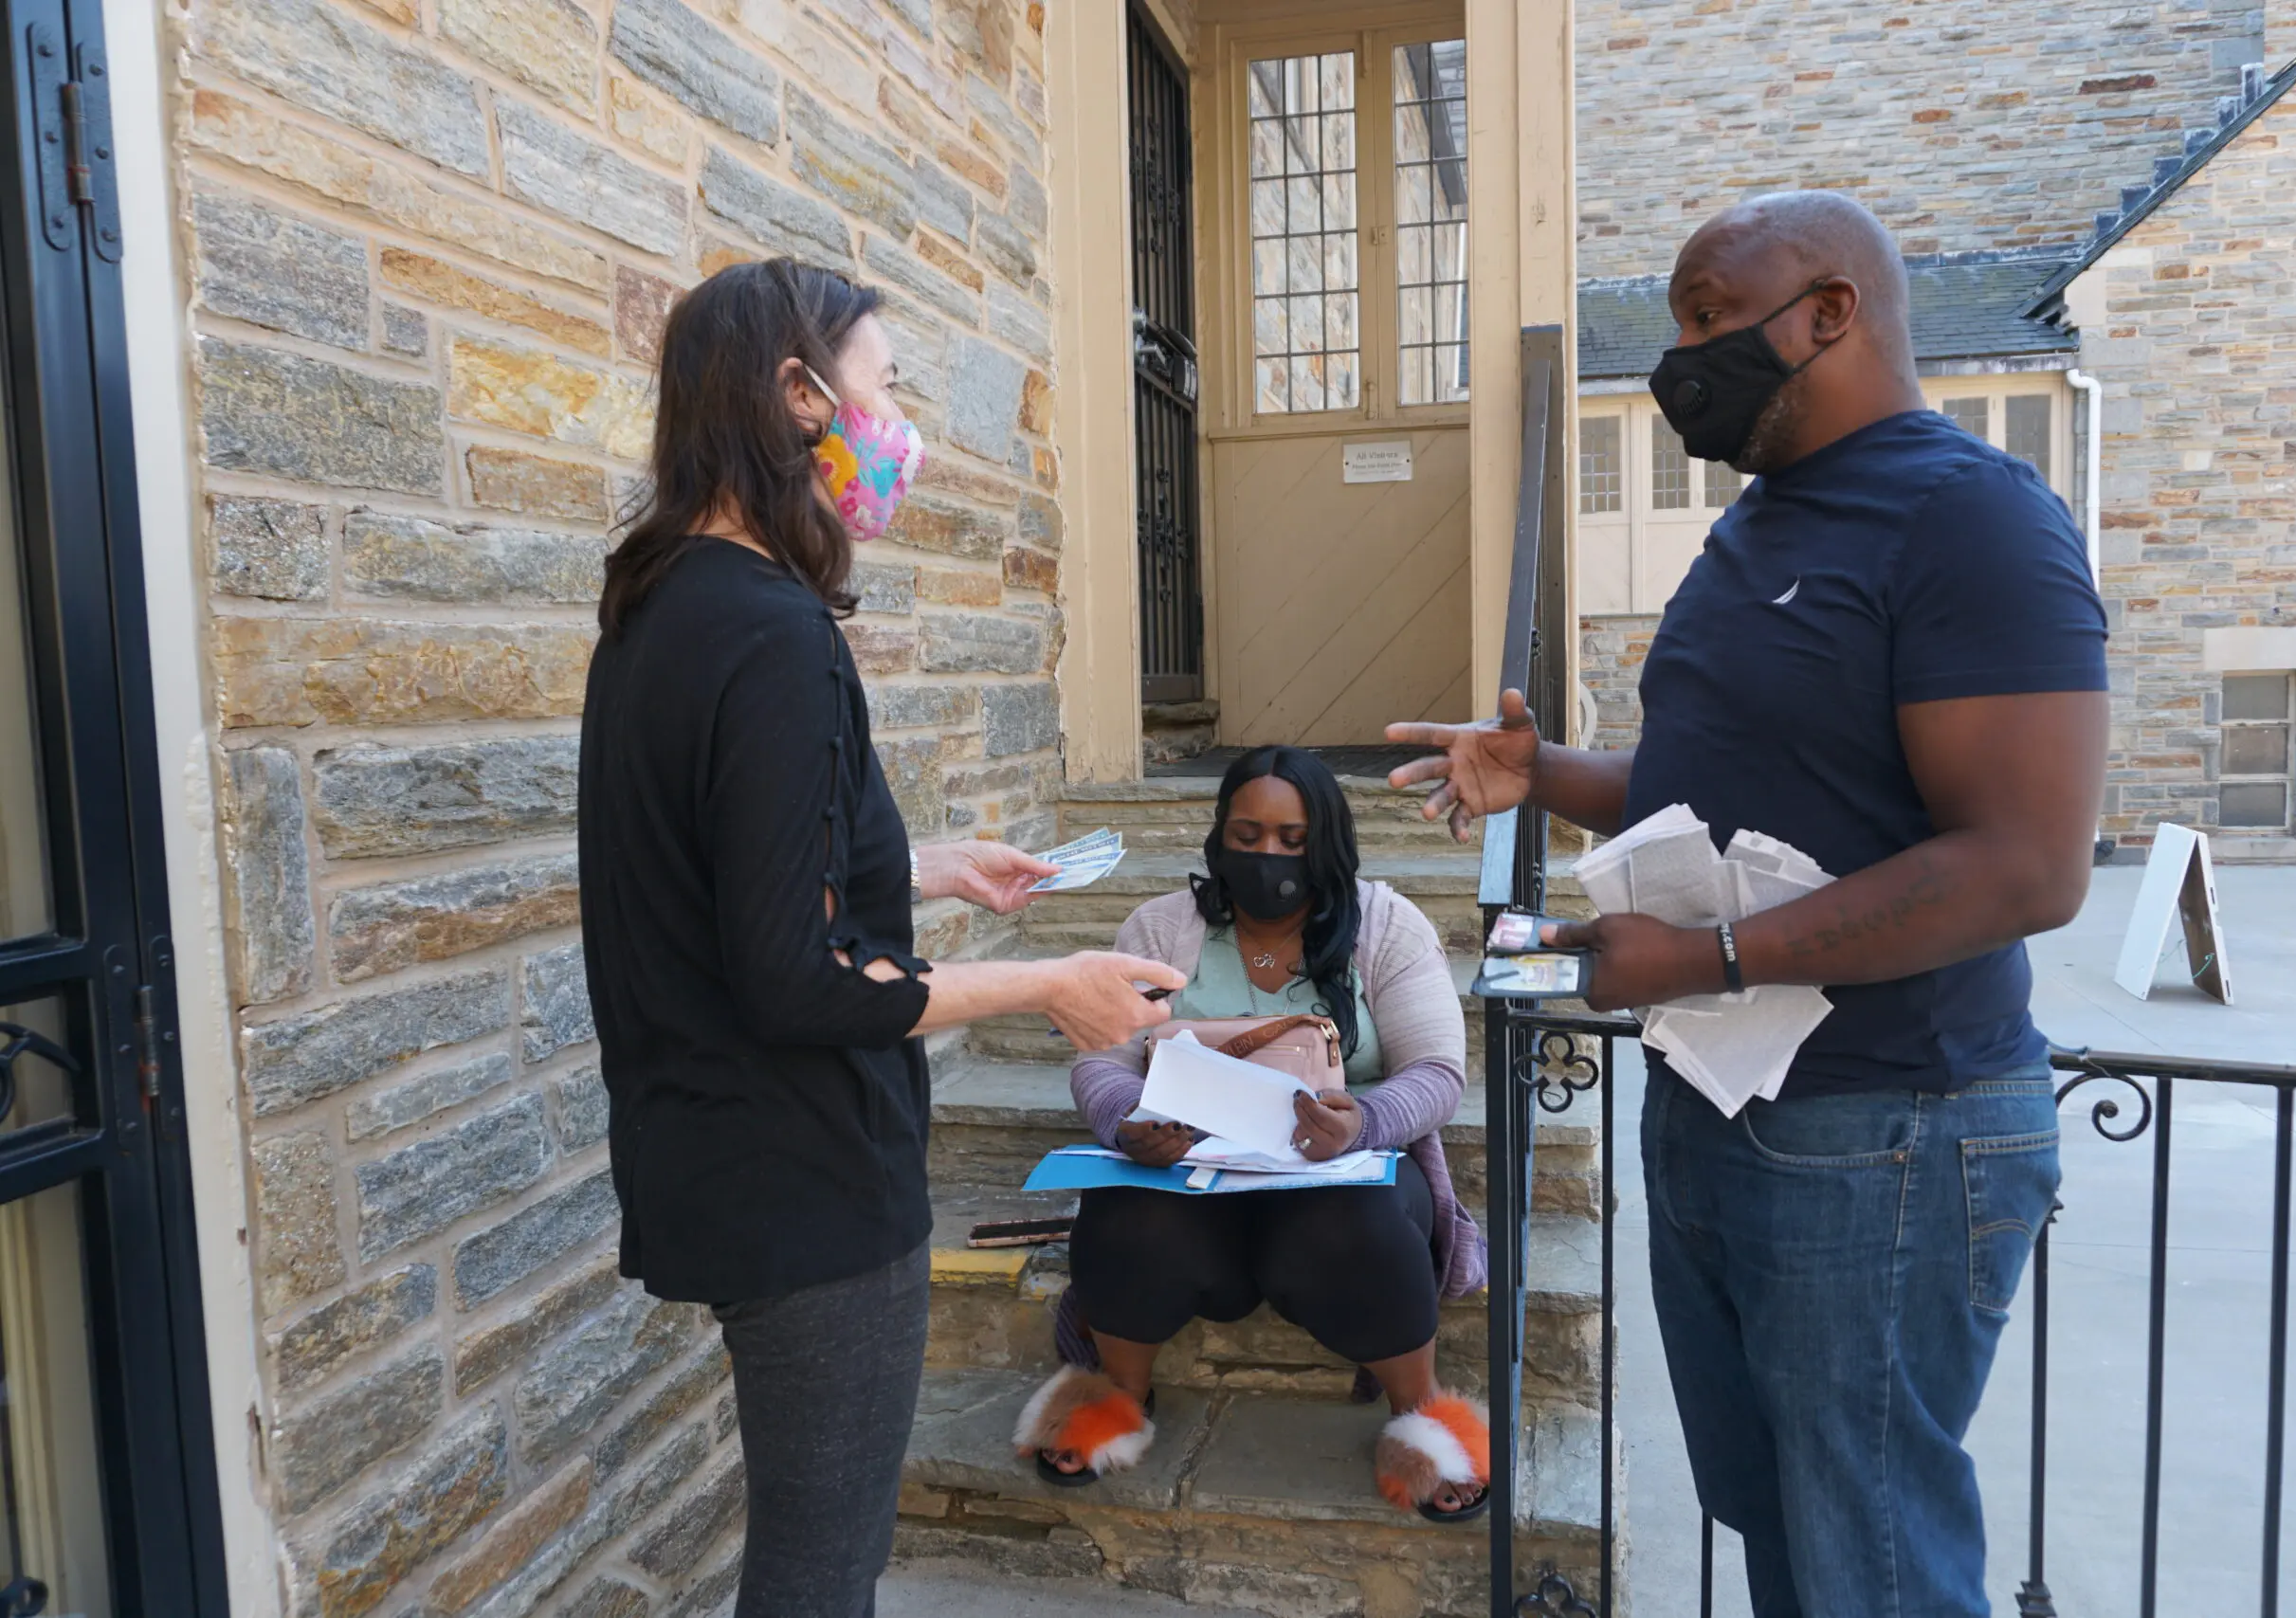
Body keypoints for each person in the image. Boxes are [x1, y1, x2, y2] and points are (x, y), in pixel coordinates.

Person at [1386, 192, 2109, 1617]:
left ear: (1831, 312)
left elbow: (2030, 862)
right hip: (1720, 1104)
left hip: (1887, 1131)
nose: (1682, 357)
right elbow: (1716, 787)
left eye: (1713, 316)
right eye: (1679, 325)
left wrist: (1704, 957)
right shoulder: (1760, 527)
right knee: (1774, 1514)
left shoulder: (1971, 518)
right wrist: (1547, 775)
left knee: (1870, 1555)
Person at [577, 260, 1186, 1618]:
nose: (902, 425)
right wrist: (1052, 983)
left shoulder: (662, 607)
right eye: (887, 388)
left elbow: (717, 876)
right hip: (804, 1184)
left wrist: (920, 864)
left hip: (712, 1156)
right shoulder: (779, 636)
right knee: (819, 1570)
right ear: (800, 396)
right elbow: (795, 973)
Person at [1011, 747, 1492, 1518]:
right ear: (1220, 837)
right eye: (1248, 834)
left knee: (1358, 1226)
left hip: (1340, 1173)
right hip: (1193, 1177)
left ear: (1326, 840)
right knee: (1121, 1209)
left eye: (1292, 839)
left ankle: (1421, 1413)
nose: (1268, 854)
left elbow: (1437, 1072)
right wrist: (1128, 1119)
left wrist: (1363, 1121)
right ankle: (1120, 1394)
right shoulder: (1163, 927)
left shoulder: (1387, 924)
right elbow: (1100, 1061)